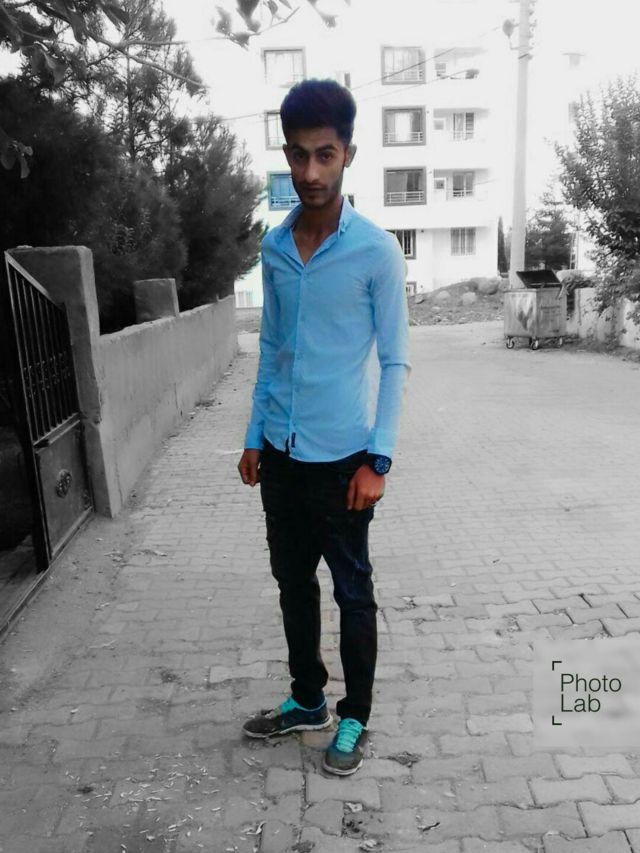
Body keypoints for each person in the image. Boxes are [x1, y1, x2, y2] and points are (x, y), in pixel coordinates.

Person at [237, 78, 410, 776]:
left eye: (325, 155)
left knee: (352, 591)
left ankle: (355, 713)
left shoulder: (375, 251)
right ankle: (308, 700)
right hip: (281, 455)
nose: (310, 172)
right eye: (299, 155)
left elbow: (395, 361)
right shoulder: (276, 249)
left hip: (345, 462)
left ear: (348, 155)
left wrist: (379, 459)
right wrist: (253, 435)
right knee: (292, 584)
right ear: (286, 154)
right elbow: (271, 349)